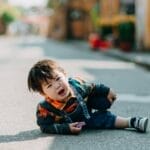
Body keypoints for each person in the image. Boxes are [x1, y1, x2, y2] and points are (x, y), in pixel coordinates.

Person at [27, 59, 149, 135]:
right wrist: (66, 128)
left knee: (103, 99)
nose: (57, 85)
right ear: (43, 93)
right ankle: (132, 122)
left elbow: (91, 86)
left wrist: (107, 90)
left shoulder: (75, 84)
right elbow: (45, 126)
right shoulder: (45, 108)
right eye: (49, 85)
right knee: (103, 119)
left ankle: (106, 105)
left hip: (86, 106)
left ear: (64, 74)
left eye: (58, 78)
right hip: (77, 123)